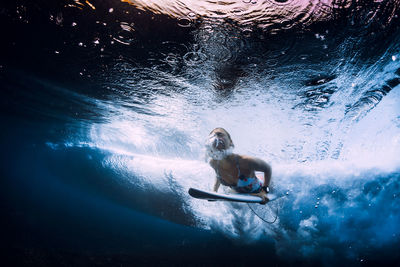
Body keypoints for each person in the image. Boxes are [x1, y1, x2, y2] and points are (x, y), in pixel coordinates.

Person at [205, 127, 271, 204]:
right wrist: (214, 191)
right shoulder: (214, 163)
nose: (216, 138)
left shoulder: (245, 161)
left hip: (257, 190)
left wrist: (264, 191)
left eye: (220, 134)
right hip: (237, 193)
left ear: (230, 142)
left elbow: (268, 169)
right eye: (213, 136)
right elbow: (218, 175)